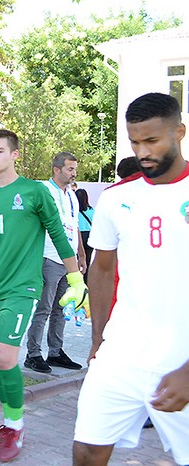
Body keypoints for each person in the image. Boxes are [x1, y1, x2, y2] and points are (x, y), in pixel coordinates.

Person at [0, 129, 88, 462]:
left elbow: (58, 234)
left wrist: (76, 277)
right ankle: (9, 424)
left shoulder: (35, 191)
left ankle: (17, 427)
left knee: (7, 356)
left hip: (23, 288)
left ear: (14, 155)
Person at [73, 93, 189, 466]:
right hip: (122, 353)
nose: (143, 152)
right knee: (87, 450)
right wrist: (98, 340)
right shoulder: (116, 198)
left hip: (182, 358)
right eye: (135, 142)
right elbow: (102, 269)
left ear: (179, 132)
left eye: (152, 140)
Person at [24, 152, 87, 374]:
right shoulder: (43, 190)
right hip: (48, 257)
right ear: (56, 169)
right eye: (70, 169)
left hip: (68, 261)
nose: (74, 173)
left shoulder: (72, 195)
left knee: (61, 308)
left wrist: (81, 254)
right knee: (44, 307)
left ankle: (55, 351)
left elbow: (74, 226)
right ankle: (33, 354)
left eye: (75, 169)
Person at [75, 188, 94, 281]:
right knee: (88, 260)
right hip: (89, 236)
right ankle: (86, 281)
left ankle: (77, 279)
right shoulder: (92, 210)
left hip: (78, 236)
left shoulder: (74, 211)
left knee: (77, 260)